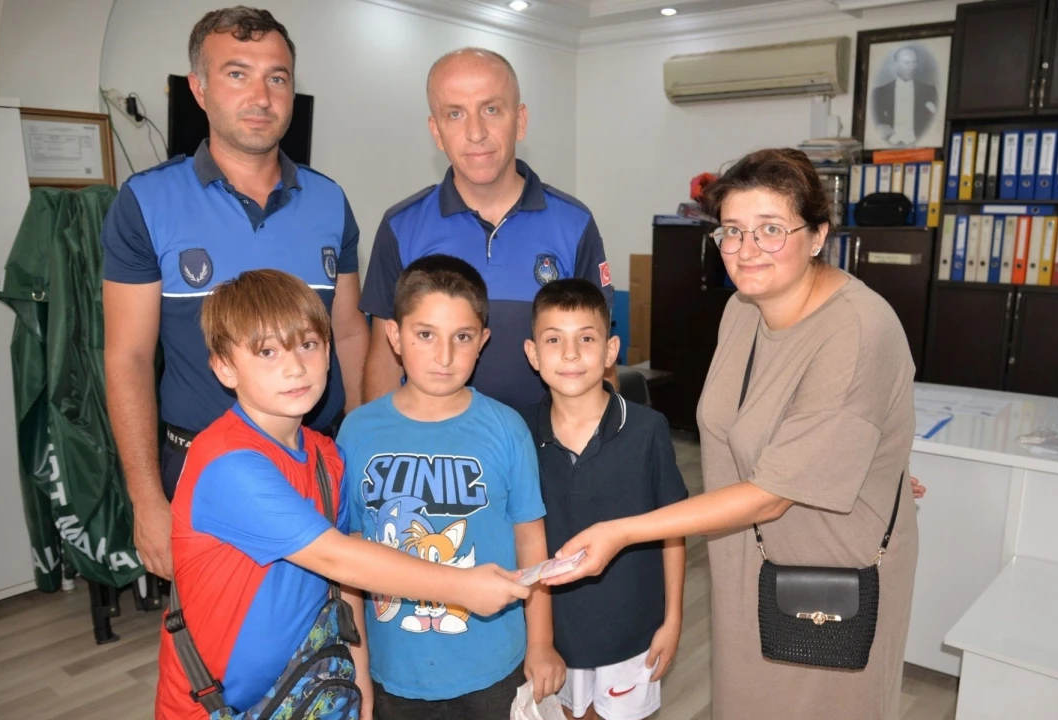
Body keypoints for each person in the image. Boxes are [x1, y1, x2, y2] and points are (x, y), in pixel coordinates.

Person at [545, 148, 921, 719]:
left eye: (770, 229)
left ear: (818, 236)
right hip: (747, 561)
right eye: (732, 231)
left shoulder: (857, 331)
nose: (746, 251)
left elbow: (773, 495)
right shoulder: (744, 308)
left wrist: (622, 531)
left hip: (828, 576)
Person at [156, 268, 528, 720]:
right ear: (224, 367)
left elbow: (346, 573)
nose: (295, 367)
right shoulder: (226, 462)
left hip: (310, 690)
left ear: (329, 351)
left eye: (308, 345)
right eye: (268, 352)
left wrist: (357, 673)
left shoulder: (325, 454)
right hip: (217, 706)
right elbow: (337, 557)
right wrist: (463, 586)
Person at [102, 6, 369, 582]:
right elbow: (128, 357)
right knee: (222, 632)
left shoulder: (330, 201)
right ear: (199, 89)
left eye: (277, 77)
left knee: (329, 623)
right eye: (237, 74)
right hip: (201, 469)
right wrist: (146, 499)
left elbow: (348, 332)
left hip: (315, 460)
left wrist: (368, 449)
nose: (261, 96)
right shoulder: (146, 202)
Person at [337, 254, 561, 719]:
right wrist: (358, 671)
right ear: (394, 336)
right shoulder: (357, 432)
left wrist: (541, 643)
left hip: (493, 665)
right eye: (425, 334)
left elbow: (530, 539)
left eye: (462, 337)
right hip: (393, 671)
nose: (444, 356)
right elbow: (347, 559)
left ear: (483, 341)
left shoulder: (507, 429)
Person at [361, 47, 615, 411]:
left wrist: (608, 439)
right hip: (434, 443)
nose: (476, 132)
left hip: (550, 443)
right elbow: (385, 360)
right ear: (436, 132)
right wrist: (375, 437)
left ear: (520, 121)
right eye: (455, 114)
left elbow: (598, 355)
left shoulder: (575, 223)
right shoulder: (400, 226)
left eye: (491, 109)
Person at [519, 279, 688, 720]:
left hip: (633, 631)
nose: (570, 354)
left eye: (586, 339)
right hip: (555, 633)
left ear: (611, 350)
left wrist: (672, 620)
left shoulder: (648, 429)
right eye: (553, 340)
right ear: (532, 354)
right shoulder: (518, 433)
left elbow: (674, 530)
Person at [872, 46, 938, 147]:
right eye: (907, 63)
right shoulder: (879, 93)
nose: (911, 67)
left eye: (914, 62)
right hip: (887, 147)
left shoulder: (929, 91)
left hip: (920, 147)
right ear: (896, 64)